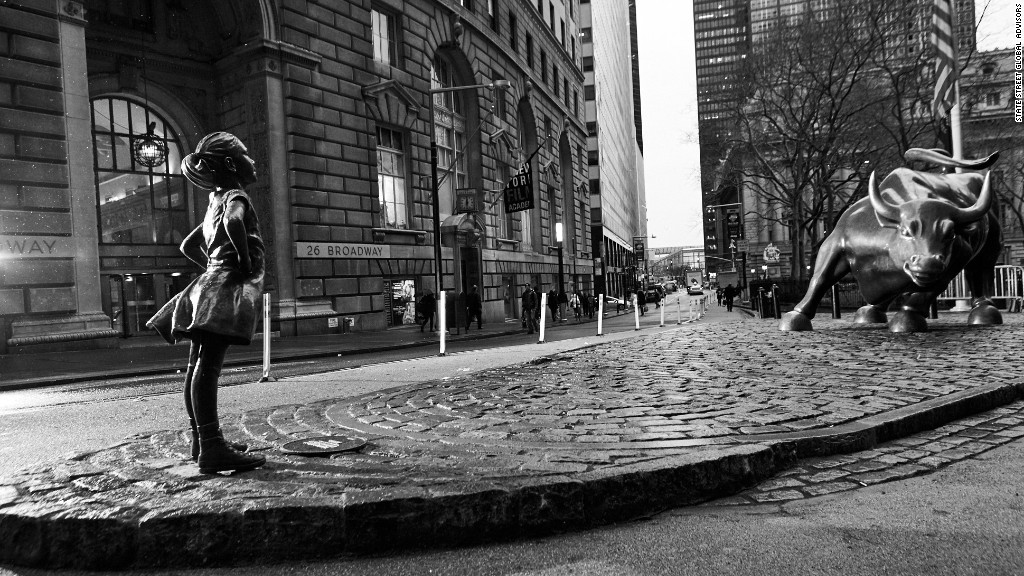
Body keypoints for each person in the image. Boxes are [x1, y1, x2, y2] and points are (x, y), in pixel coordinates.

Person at [146, 132, 265, 475]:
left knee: (197, 363)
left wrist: (211, 268)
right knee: (208, 366)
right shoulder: (235, 196)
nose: (252, 162)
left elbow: (188, 245)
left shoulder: (215, 199)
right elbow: (233, 222)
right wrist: (241, 261)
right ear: (230, 164)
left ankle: (200, 440)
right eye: (246, 155)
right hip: (223, 287)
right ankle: (212, 447)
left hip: (208, 284)